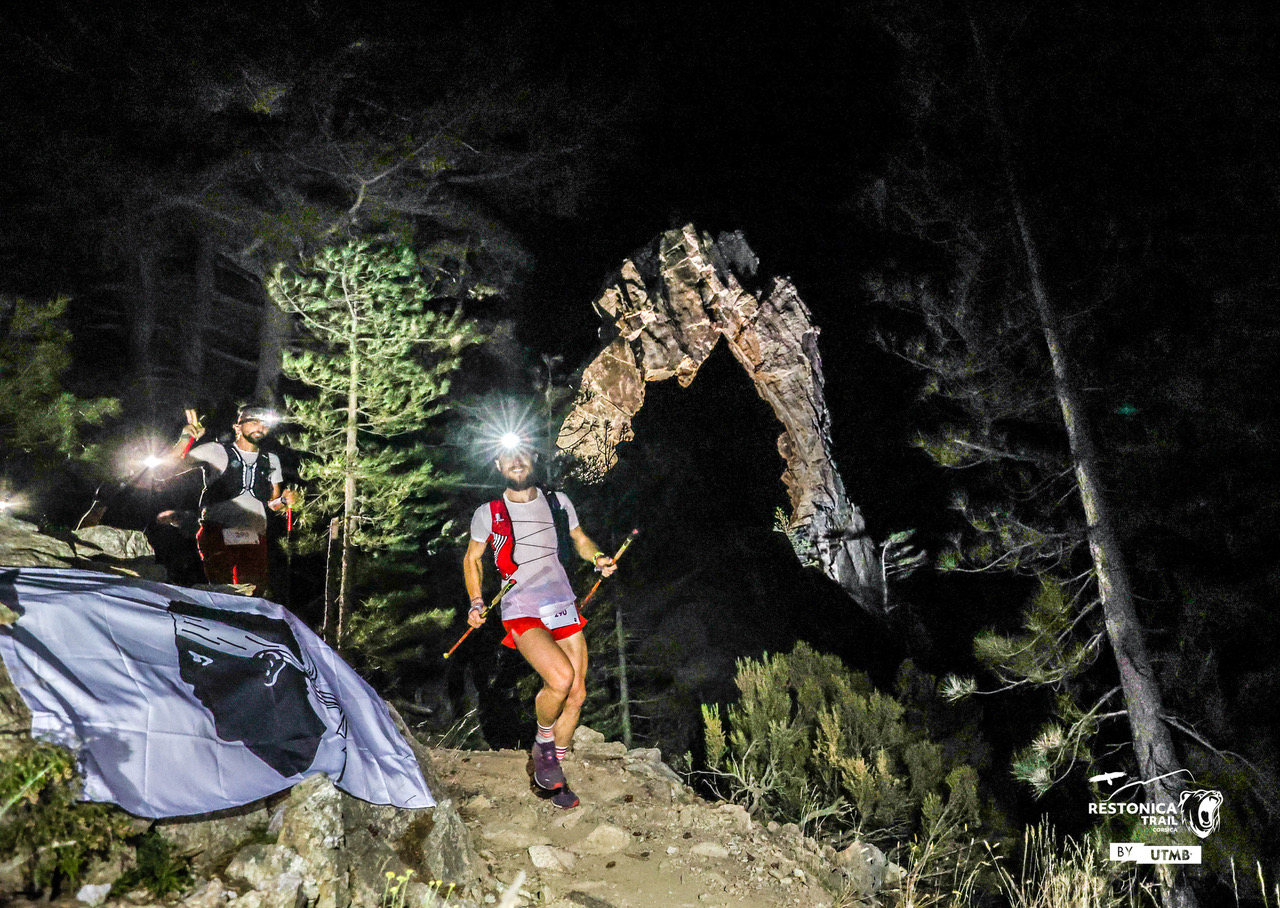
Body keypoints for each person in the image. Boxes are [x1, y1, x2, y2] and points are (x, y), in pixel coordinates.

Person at [463, 442, 616, 809]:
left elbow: (579, 539)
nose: (516, 462)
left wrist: (598, 557)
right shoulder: (489, 513)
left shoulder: (557, 502)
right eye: (508, 457)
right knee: (560, 679)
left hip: (561, 603)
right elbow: (473, 559)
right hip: (521, 607)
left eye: (523, 455)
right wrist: (477, 602)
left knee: (576, 694)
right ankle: (544, 743)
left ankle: (553, 777)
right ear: (498, 465)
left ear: (533, 460)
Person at [171, 407, 296, 596]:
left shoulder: (271, 460)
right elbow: (167, 470)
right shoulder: (215, 450)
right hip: (217, 531)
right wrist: (185, 438)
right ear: (237, 426)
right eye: (253, 422)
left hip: (254, 536)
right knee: (222, 593)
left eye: (264, 424)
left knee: (253, 594)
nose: (260, 428)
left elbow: (272, 504)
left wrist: (285, 501)